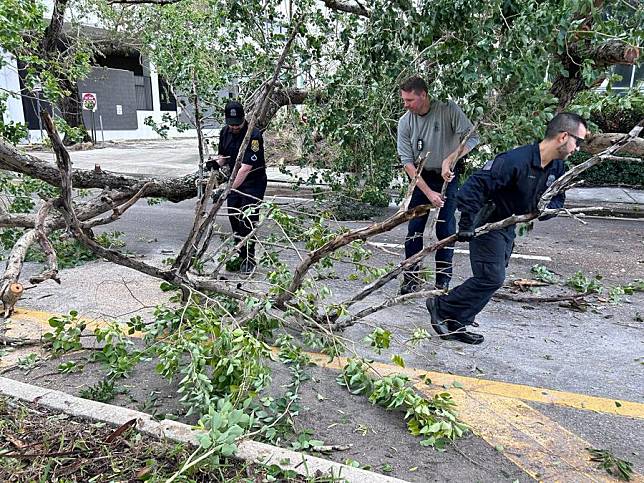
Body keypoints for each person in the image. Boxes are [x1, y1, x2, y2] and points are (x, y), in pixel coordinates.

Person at [426, 112, 588, 344]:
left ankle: (456, 322)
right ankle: (441, 306)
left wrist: (545, 210)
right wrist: (466, 223)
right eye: (578, 141)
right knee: (491, 277)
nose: (578, 148)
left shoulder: (557, 167)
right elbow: (475, 186)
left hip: (507, 226)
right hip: (487, 221)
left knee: (494, 277)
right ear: (563, 136)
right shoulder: (514, 161)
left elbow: (557, 197)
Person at [397, 76, 480, 294]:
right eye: (404, 100)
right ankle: (411, 278)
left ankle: (442, 281)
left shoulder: (447, 109)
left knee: (445, 228)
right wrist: (429, 193)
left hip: (447, 176)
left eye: (409, 100)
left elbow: (472, 138)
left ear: (423, 95)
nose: (405, 104)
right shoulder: (405, 122)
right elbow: (407, 163)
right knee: (414, 230)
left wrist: (450, 159)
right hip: (420, 177)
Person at [206, 101, 267, 275]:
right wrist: (215, 163)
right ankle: (240, 255)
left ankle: (249, 258)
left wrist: (227, 190)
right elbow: (224, 156)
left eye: (237, 124)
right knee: (234, 218)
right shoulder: (225, 132)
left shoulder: (253, 135)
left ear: (244, 119)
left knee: (247, 220)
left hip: (253, 183)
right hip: (235, 180)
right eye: (231, 124)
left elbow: (246, 168)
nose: (234, 127)